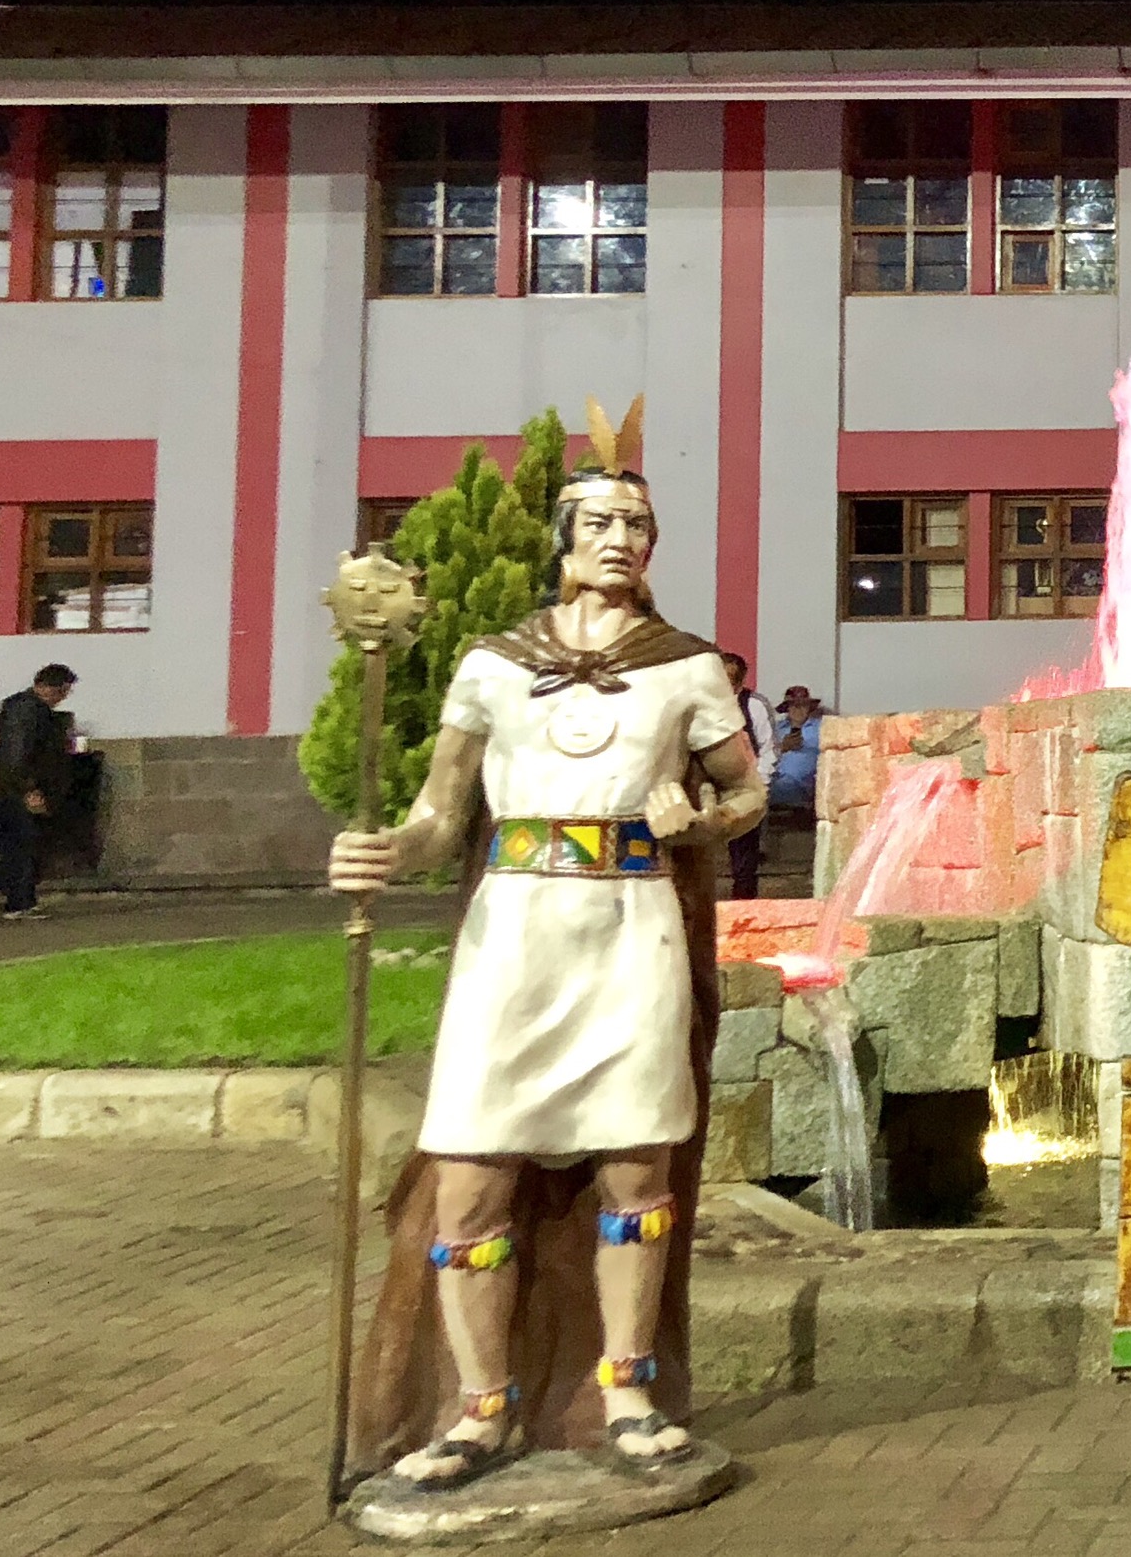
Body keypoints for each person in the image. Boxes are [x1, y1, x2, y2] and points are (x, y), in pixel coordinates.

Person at [332, 402, 763, 1490]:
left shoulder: (687, 667)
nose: (622, 540)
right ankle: (480, 1407)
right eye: (602, 522)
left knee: (637, 1167)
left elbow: (748, 792)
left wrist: (699, 824)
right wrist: (386, 849)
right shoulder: (492, 664)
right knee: (470, 1178)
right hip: (513, 933)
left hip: (631, 926)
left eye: (638, 525)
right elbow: (442, 813)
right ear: (564, 538)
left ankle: (628, 1391)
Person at [0, 665, 77, 917]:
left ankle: (5, 889)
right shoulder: (28, 711)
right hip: (20, 788)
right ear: (46, 687)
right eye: (62, 691)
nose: (63, 697)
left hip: (14, 786)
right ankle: (18, 900)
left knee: (18, 843)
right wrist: (29, 789)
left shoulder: (19, 708)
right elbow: (18, 755)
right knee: (23, 844)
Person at [719, 652, 777, 900]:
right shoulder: (699, 704)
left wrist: (759, 786)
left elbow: (769, 749)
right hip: (708, 786)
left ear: (740, 682)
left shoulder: (754, 706)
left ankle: (743, 902)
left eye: (729, 679)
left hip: (744, 786)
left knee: (744, 855)